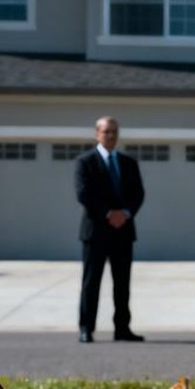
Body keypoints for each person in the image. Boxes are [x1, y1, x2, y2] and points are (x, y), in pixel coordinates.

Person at [75, 116, 145, 343]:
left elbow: (138, 194)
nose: (111, 136)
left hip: (123, 231)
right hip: (95, 232)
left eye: (114, 131)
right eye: (107, 132)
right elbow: (83, 194)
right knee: (91, 283)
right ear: (97, 133)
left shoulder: (128, 163)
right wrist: (108, 214)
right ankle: (86, 328)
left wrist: (124, 214)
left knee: (122, 284)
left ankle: (122, 329)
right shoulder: (85, 162)